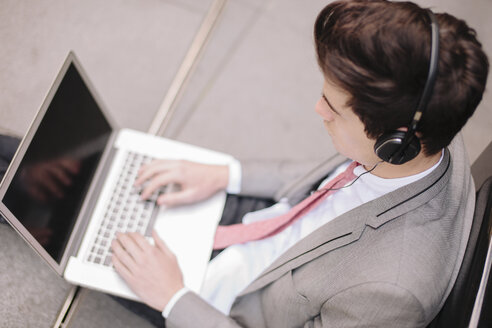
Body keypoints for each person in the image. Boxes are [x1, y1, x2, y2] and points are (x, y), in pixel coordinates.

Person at [110, 0, 489, 327]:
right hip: (272, 226)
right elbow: (330, 181)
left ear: (397, 141)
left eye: (334, 111)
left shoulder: (388, 292)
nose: (318, 109)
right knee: (116, 186)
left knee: (70, 230)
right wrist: (224, 174)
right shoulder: (429, 127)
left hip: (225, 307)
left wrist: (173, 298)